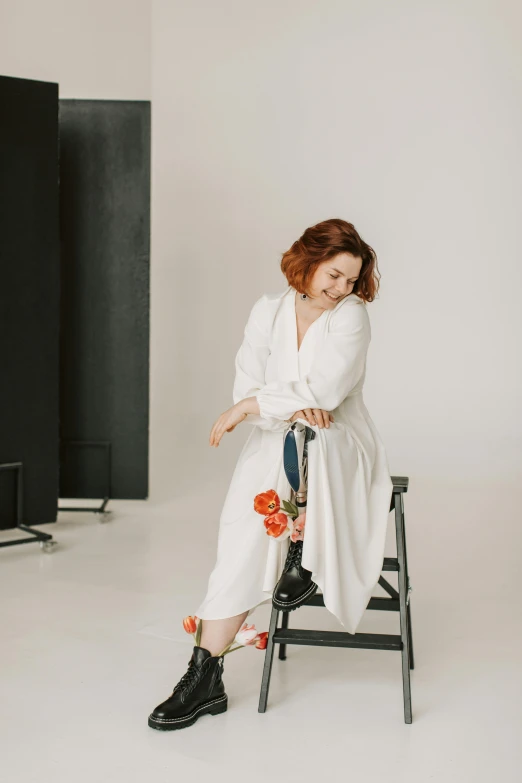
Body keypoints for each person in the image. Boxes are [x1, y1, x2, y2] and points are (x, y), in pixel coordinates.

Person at [148, 218, 394, 731]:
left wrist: (261, 403)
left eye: (350, 279)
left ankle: (302, 550)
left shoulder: (351, 317)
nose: (341, 288)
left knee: (311, 438)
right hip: (272, 442)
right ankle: (203, 675)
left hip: (338, 442)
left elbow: (326, 395)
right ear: (306, 262)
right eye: (333, 275)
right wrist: (275, 405)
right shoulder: (267, 311)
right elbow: (247, 387)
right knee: (240, 537)